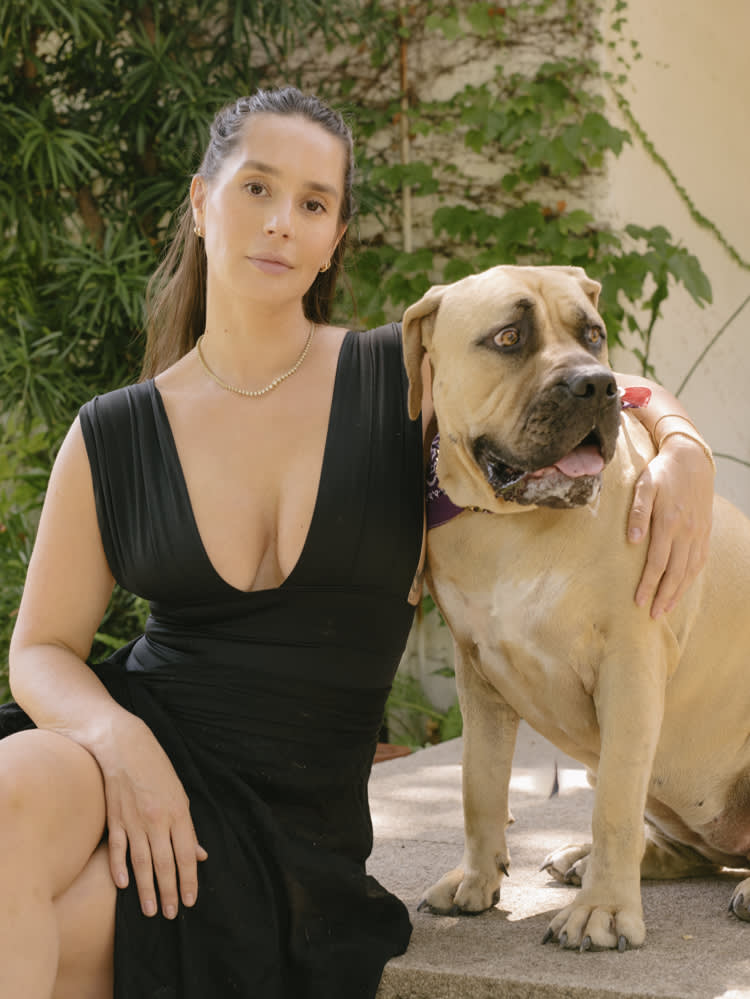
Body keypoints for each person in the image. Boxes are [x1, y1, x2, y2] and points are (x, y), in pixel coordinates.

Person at [0, 86, 714, 999]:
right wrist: (121, 742)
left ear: (335, 235)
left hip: (283, 827)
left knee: (51, 939)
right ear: (199, 202)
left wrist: (683, 446)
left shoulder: (399, 383)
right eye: (256, 188)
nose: (280, 224)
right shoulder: (112, 431)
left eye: (313, 203)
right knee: (12, 800)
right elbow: (39, 650)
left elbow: (576, 379)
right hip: (130, 742)